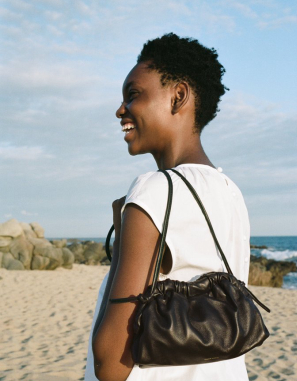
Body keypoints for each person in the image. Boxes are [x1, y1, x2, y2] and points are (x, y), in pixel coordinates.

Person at [85, 33, 250, 381]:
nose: (120, 110)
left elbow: (110, 365)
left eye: (133, 95)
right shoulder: (231, 193)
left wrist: (122, 244)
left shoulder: (152, 191)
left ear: (178, 96)